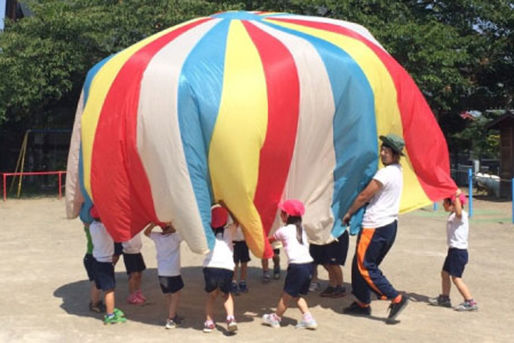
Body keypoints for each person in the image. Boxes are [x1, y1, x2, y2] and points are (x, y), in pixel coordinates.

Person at [342, 134, 408, 324]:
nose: (382, 153)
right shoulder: (397, 171)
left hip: (375, 226)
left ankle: (396, 298)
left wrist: (348, 213)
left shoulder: (385, 173)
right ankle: (362, 303)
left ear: (395, 154)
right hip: (388, 227)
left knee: (365, 266)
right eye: (382, 149)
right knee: (359, 265)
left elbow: (364, 196)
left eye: (386, 151)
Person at [262, 199, 317, 330]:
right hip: (309, 265)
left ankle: (275, 318)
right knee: (296, 294)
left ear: (287, 215)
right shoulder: (301, 230)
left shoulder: (284, 230)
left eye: (282, 213)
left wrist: (257, 239)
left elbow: (269, 240)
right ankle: (308, 318)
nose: (280, 215)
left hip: (297, 266)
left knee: (286, 296)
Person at [428, 190, 478, 311]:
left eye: (445, 202)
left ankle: (470, 301)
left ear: (453, 204)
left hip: (459, 252)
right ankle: (445, 298)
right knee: (445, 273)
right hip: (453, 251)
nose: (443, 204)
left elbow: (459, 210)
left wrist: (455, 196)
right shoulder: (452, 215)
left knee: (456, 278)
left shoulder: (461, 215)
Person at [202, 204, 238, 334]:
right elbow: (237, 222)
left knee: (212, 295)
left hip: (210, 267)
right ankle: (230, 318)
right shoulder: (229, 231)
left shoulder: (207, 233)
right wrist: (228, 208)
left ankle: (209, 322)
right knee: (226, 295)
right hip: (226, 267)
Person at [89, 206, 126, 325]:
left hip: (96, 260)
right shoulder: (107, 228)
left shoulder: (92, 226)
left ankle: (94, 304)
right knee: (109, 289)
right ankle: (110, 315)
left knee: (97, 283)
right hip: (105, 262)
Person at [144, 222, 184, 329]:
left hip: (162, 272)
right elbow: (184, 232)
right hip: (173, 272)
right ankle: (171, 319)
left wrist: (153, 224)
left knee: (168, 295)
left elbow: (146, 232)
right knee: (176, 295)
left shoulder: (158, 237)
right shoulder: (176, 237)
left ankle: (173, 315)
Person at [309, 229, 349, 298]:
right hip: (327, 236)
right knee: (328, 263)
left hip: (337, 235)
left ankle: (340, 286)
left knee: (334, 264)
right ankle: (332, 285)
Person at [83, 222, 105, 313]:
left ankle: (95, 301)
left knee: (96, 282)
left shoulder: (90, 227)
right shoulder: (102, 229)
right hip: (94, 258)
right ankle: (94, 304)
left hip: (89, 257)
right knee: (97, 283)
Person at [122, 233, 147, 305]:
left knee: (139, 273)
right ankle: (132, 295)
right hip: (129, 252)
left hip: (137, 251)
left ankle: (138, 292)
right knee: (133, 274)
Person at [231, 224, 250, 295]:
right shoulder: (231, 216)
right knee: (234, 263)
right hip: (234, 242)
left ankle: (242, 281)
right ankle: (233, 282)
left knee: (244, 263)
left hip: (244, 241)